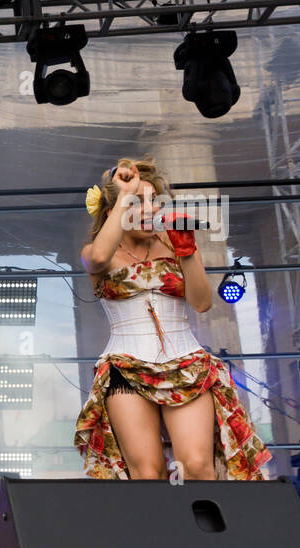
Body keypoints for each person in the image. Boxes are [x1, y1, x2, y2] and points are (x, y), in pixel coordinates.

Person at [74, 156, 271, 481]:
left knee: (196, 465)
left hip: (186, 364)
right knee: (148, 474)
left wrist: (188, 251)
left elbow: (203, 303)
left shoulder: (172, 242)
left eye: (154, 200)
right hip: (126, 368)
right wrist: (125, 192)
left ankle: (205, 530)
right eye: (138, 202)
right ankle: (159, 532)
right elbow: (97, 257)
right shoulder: (96, 253)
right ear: (115, 211)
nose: (150, 208)